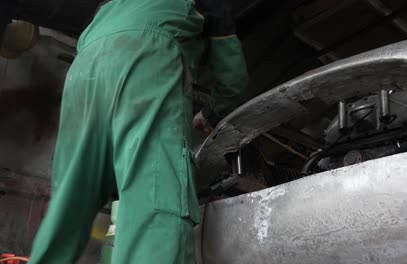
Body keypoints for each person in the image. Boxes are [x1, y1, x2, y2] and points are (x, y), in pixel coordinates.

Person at [27, 0, 248, 263]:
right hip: (147, 57)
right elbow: (233, 79)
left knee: (70, 198)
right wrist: (211, 112)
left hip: (84, 68)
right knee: (153, 192)